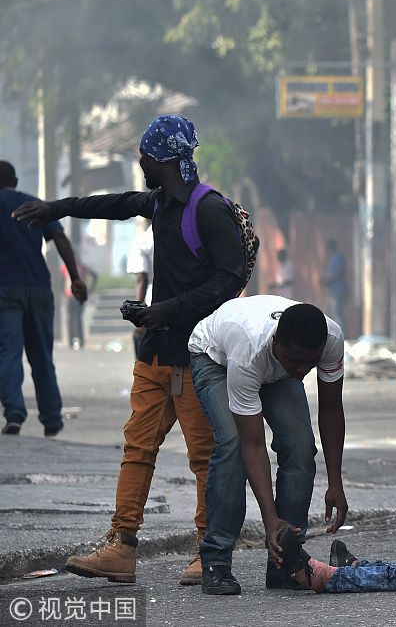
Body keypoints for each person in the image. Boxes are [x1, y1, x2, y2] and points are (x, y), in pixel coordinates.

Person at [13, 115, 246, 586]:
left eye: (143, 157)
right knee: (137, 450)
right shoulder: (161, 203)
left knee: (205, 458)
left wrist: (170, 310)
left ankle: (208, 553)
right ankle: (121, 547)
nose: (139, 164)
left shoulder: (209, 209)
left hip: (198, 357)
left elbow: (232, 277)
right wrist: (58, 208)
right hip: (156, 354)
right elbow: (115, 204)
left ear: (160, 160)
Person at [187, 295, 347, 595]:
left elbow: (331, 410)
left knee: (300, 446)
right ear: (276, 343)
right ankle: (216, 560)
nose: (301, 371)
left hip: (269, 367)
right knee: (232, 445)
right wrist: (270, 518)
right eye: (295, 360)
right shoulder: (249, 351)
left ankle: (285, 561)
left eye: (309, 362)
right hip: (215, 359)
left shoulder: (330, 338)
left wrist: (335, 483)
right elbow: (253, 444)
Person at [1, 160, 87, 437]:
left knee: (9, 353)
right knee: (41, 356)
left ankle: (14, 414)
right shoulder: (31, 203)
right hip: (39, 287)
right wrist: (75, 277)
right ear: (15, 180)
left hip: (5, 289)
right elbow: (59, 236)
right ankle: (51, 417)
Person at [125, 223, 154, 358]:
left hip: (152, 304)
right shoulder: (184, 233)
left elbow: (141, 279)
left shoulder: (143, 241)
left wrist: (138, 315)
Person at [61, 259, 97, 350]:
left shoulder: (81, 267)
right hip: (70, 295)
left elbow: (94, 276)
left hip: (77, 295)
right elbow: (60, 278)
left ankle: (78, 341)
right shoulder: (67, 267)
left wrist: (90, 290)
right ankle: (73, 340)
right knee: (72, 319)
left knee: (76, 319)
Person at [323, 240, 347, 333]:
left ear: (332, 247)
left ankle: (343, 334)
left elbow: (338, 272)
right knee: (335, 313)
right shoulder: (333, 258)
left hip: (339, 289)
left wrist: (329, 281)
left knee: (337, 313)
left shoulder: (338, 257)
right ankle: (342, 333)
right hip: (334, 289)